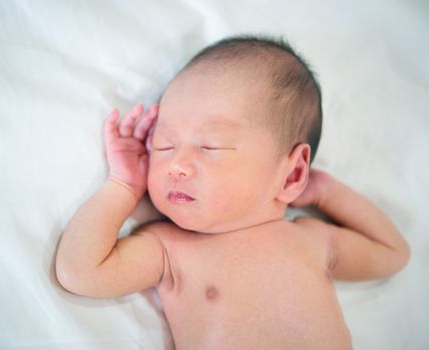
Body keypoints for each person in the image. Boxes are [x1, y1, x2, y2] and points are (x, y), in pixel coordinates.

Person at [55, 35, 410, 349]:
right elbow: (80, 273)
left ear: (291, 174)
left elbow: (393, 253)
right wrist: (123, 185)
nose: (176, 165)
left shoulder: (312, 239)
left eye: (210, 146)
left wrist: (326, 192)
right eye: (163, 146)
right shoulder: (170, 249)